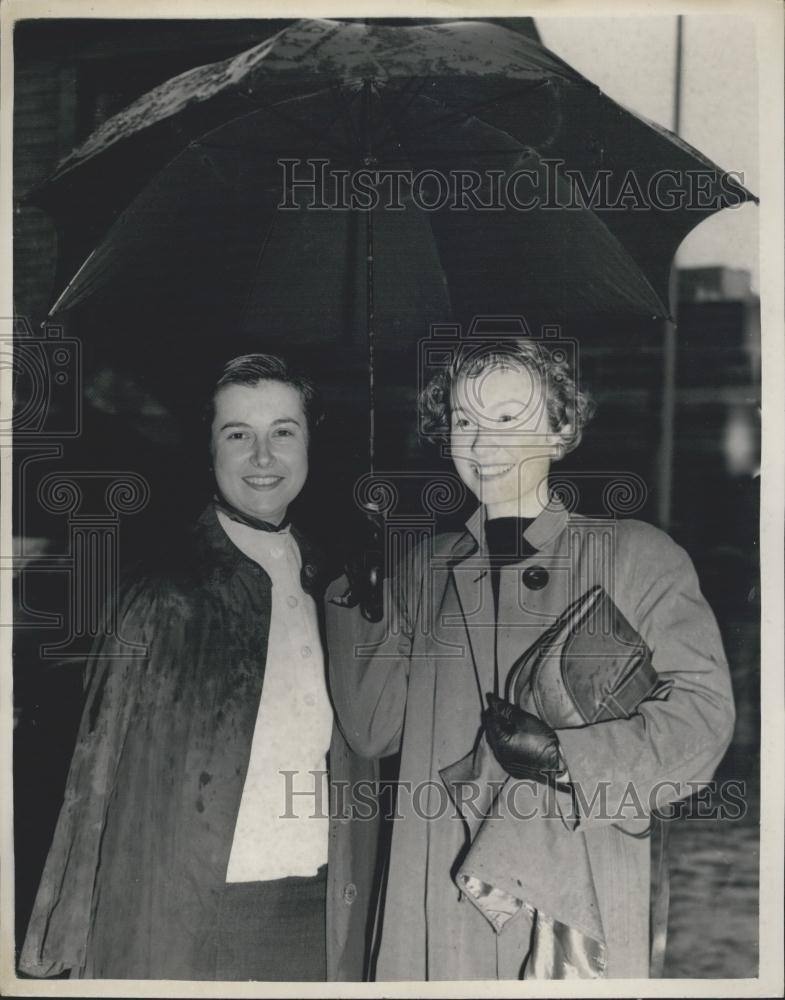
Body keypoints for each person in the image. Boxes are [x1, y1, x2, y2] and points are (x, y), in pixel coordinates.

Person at [325, 337, 736, 980]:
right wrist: (355, 596)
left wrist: (568, 758)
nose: (483, 444)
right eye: (464, 421)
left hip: (577, 898)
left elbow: (704, 720)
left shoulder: (633, 555)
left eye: (509, 418)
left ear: (561, 427)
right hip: (439, 892)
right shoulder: (419, 570)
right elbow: (372, 728)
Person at [20, 353, 378, 981]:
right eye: (238, 434)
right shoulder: (161, 588)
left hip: (318, 909)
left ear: (310, 444)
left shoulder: (338, 579)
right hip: (196, 914)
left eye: (283, 432)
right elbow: (93, 775)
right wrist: (65, 935)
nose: (262, 457)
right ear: (209, 450)